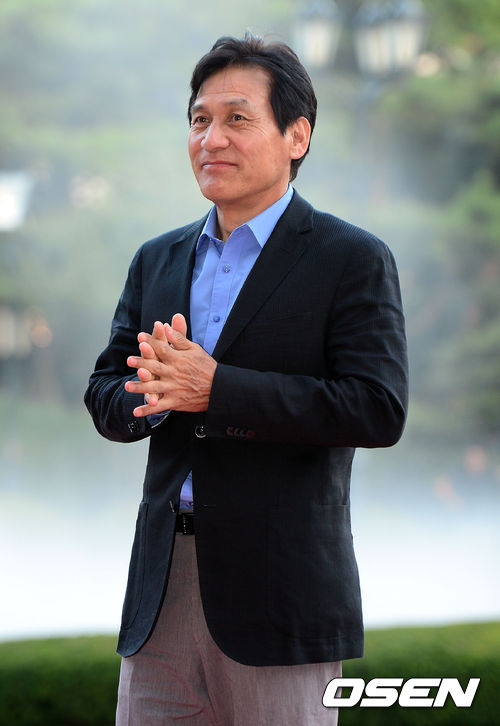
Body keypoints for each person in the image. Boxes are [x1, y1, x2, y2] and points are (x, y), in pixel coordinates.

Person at [85, 31, 408, 726]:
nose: (212, 139)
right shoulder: (157, 258)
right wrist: (152, 395)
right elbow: (105, 391)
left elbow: (377, 408)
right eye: (199, 120)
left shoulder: (351, 258)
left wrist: (217, 390)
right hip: (161, 591)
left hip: (281, 593)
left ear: (297, 135)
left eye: (237, 118)